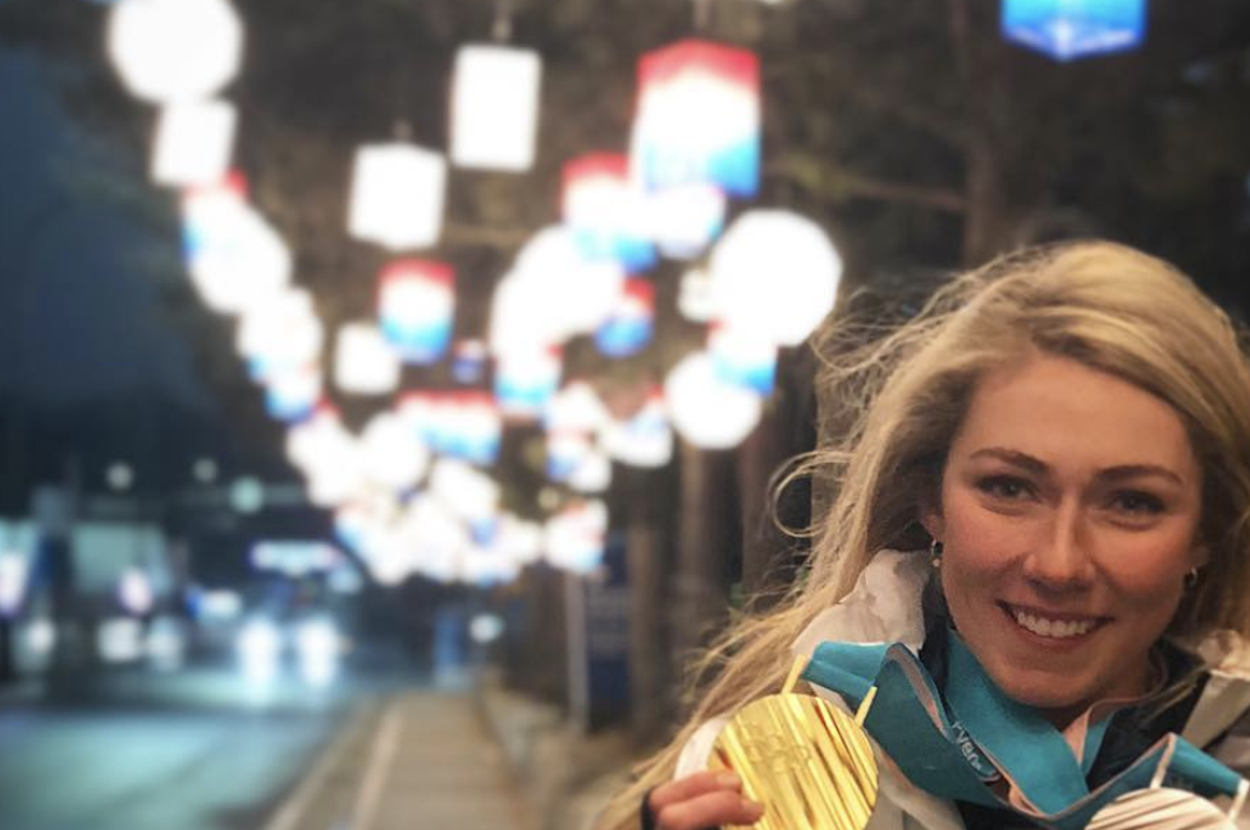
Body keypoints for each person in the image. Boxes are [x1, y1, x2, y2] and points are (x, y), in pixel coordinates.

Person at [600, 241, 1250, 830]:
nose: (1059, 564)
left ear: (1206, 534)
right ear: (930, 499)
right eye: (1009, 488)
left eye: (1132, 503)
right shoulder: (768, 776)